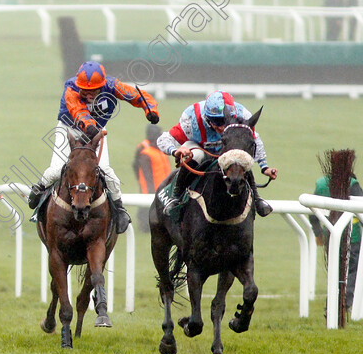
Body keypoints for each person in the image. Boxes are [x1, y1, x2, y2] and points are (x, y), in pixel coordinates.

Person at [28, 60, 160, 234]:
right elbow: (77, 110)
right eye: (85, 91)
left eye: (93, 91)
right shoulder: (71, 88)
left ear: (103, 85)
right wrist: (89, 125)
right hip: (69, 129)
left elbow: (136, 95)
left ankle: (119, 210)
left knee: (104, 169)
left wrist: (150, 109)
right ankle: (39, 192)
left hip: (96, 131)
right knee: (57, 169)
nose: (89, 95)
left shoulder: (112, 86)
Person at [156, 90, 278, 217]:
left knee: (239, 157)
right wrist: (176, 150)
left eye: (224, 122)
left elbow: (254, 139)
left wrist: (264, 167)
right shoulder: (192, 119)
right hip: (199, 148)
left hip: (226, 150)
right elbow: (163, 139)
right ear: (207, 117)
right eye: (216, 121)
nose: (220, 127)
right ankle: (176, 196)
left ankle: (257, 199)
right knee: (197, 155)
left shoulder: (243, 116)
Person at [309, 174, 362, 310]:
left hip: (330, 234)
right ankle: (347, 303)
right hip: (352, 236)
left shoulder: (321, 184)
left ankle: (332, 304)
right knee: (351, 270)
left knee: (334, 270)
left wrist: (318, 232)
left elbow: (312, 211)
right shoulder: (352, 183)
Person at [132, 124, 171, 232]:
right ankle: (145, 226)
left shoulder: (160, 151)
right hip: (151, 186)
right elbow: (142, 170)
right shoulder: (145, 151)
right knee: (146, 207)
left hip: (163, 184)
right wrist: (147, 186)